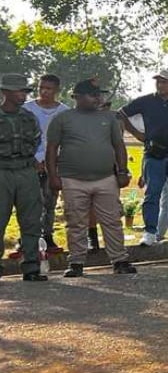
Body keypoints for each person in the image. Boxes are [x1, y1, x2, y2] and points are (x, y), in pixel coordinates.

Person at [47, 79, 136, 277]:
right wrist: (53, 176)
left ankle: (120, 260)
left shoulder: (109, 118)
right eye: (93, 95)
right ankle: (76, 262)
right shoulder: (63, 119)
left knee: (112, 220)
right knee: (76, 222)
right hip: (72, 179)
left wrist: (122, 171)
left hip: (105, 178)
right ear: (77, 97)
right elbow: (52, 149)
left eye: (99, 95)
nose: (98, 99)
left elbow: (119, 146)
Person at [119, 71, 168, 246]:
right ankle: (149, 231)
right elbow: (122, 113)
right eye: (158, 82)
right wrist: (136, 133)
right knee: (151, 194)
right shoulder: (146, 101)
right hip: (153, 155)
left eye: (164, 82)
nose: (160, 85)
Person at [1, 74, 48, 281]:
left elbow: (36, 141)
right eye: (19, 91)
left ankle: (31, 267)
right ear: (6, 93)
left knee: (31, 221)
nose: (23, 95)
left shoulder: (29, 117)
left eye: (24, 91)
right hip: (2, 171)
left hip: (26, 172)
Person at [22, 73, 68, 251]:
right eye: (41, 87)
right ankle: (26, 238)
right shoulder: (27, 109)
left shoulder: (63, 112)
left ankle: (47, 236)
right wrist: (34, 159)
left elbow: (65, 139)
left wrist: (52, 161)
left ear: (57, 90)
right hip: (29, 161)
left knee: (49, 201)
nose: (44, 91)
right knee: (29, 202)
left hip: (54, 162)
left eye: (48, 89)